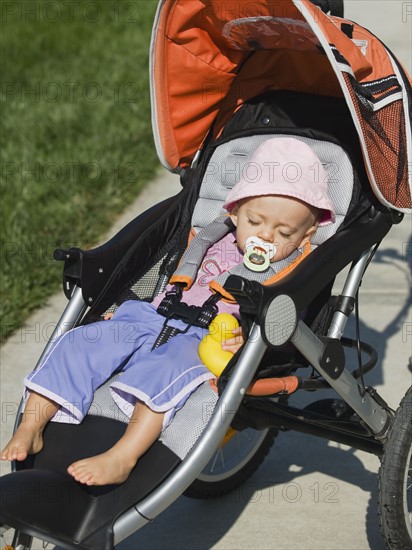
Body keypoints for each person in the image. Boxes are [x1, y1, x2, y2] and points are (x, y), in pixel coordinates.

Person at [1, 138, 335, 486]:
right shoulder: (209, 235)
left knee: (164, 371)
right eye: (254, 221)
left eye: (284, 232)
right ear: (234, 212)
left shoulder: (297, 269)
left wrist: (246, 337)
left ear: (307, 233)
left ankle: (124, 455)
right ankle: (32, 426)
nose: (265, 236)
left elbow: (290, 323)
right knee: (80, 343)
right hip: (152, 315)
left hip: (205, 339)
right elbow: (163, 275)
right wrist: (127, 311)